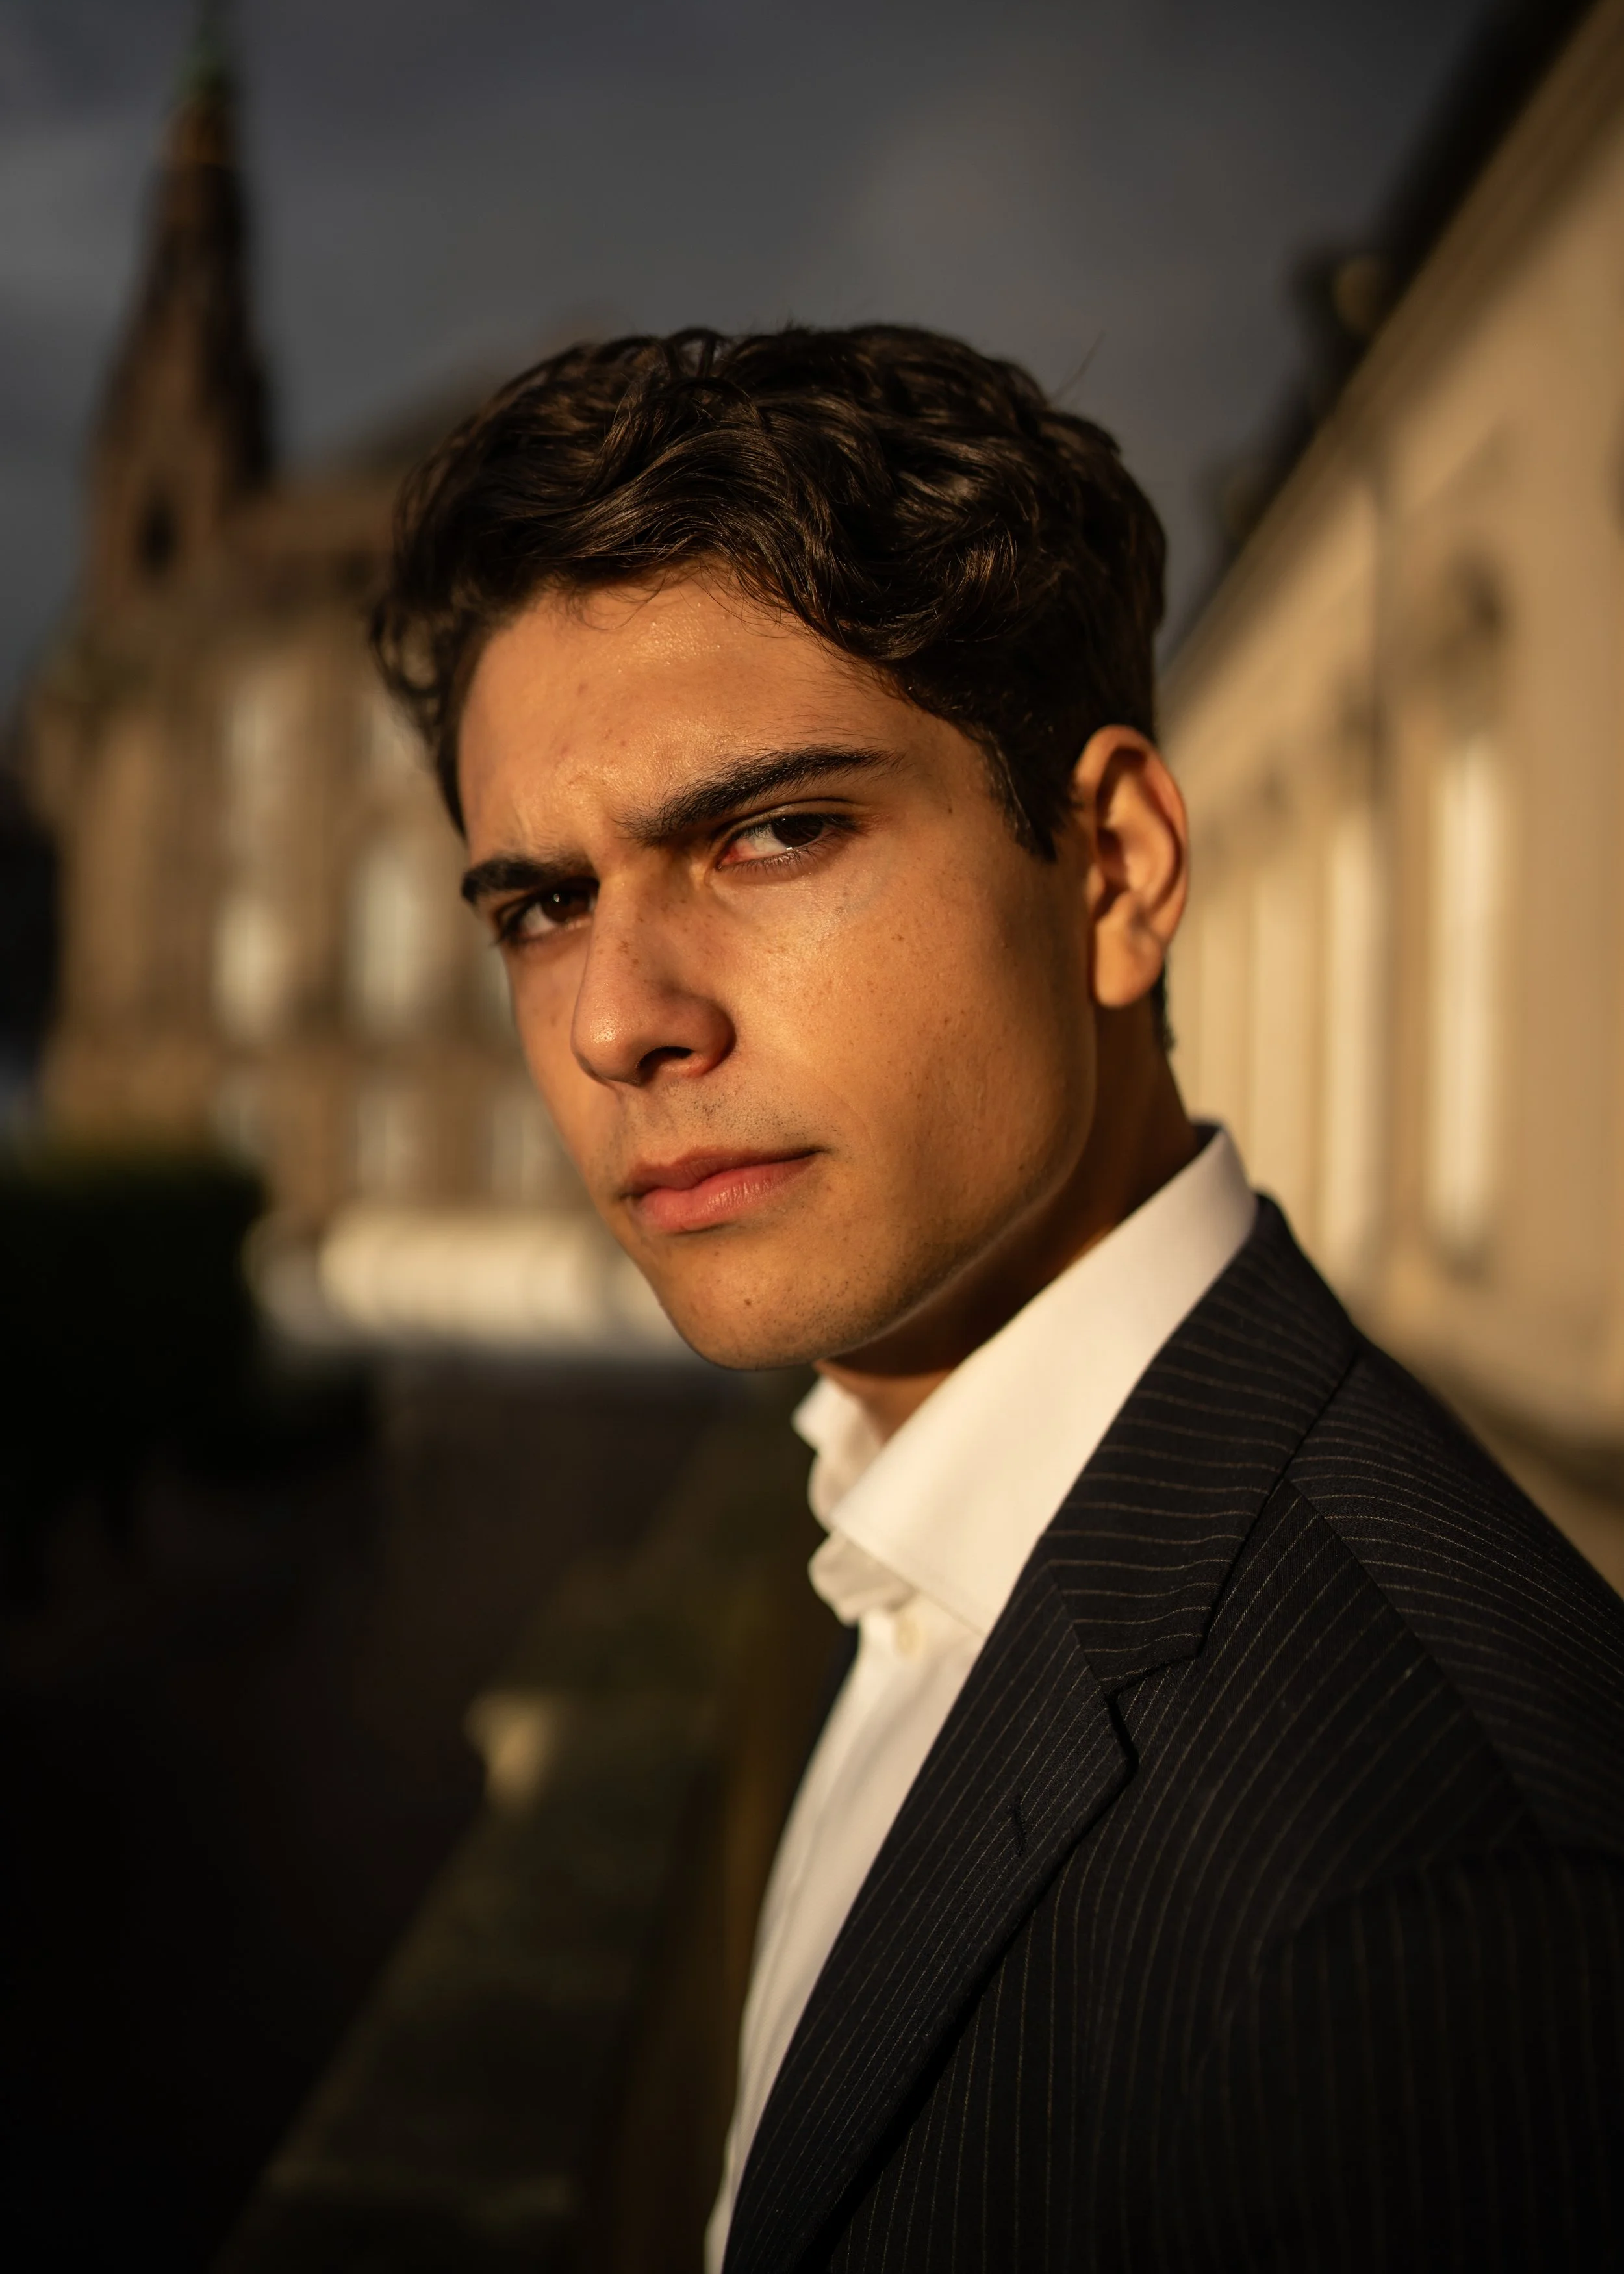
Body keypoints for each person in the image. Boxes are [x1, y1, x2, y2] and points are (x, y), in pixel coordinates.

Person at [373, 326, 1624, 2271]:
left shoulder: (1447, 1900)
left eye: (775, 831)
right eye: (542, 903)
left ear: (1113, 869)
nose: (621, 1018)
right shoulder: (919, 1525)